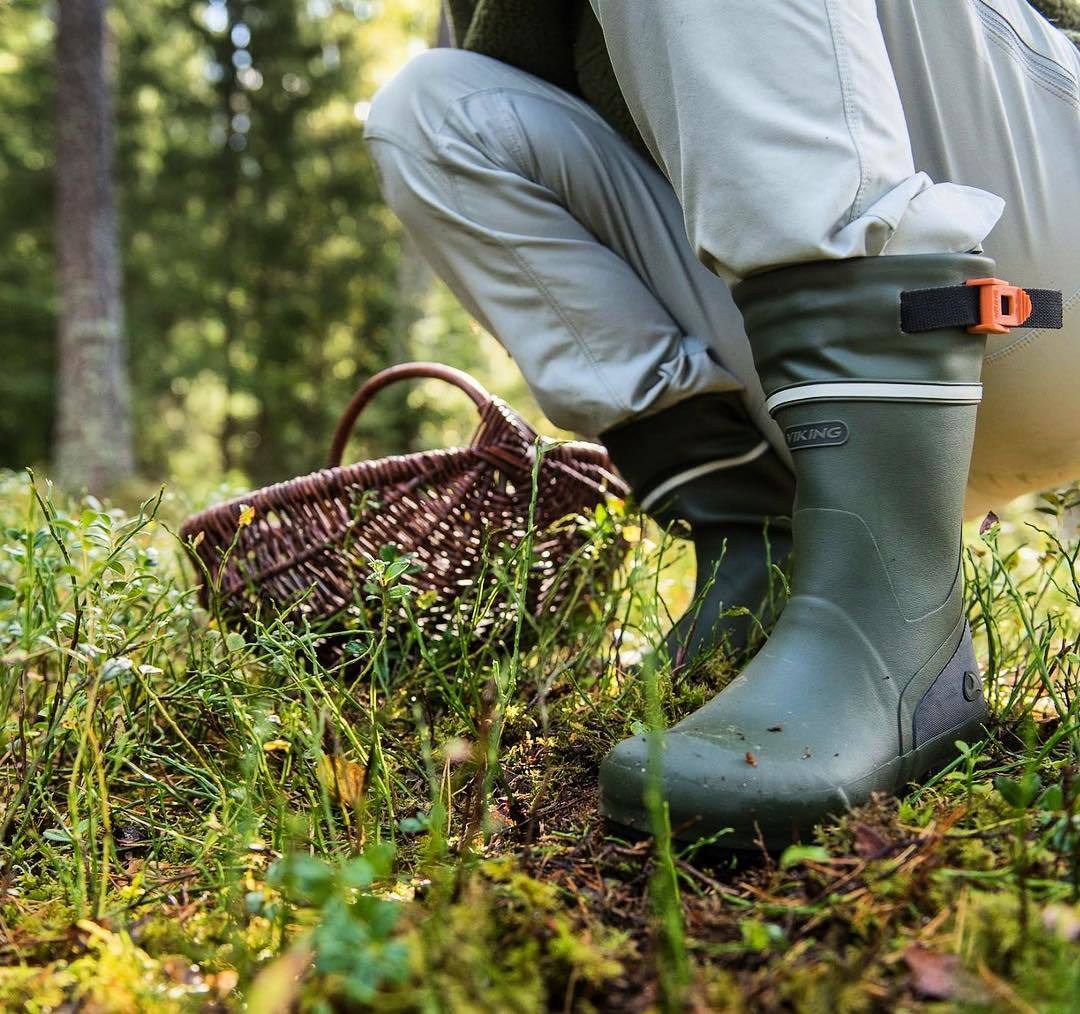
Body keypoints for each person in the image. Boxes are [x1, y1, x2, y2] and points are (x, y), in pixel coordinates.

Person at [363, 1, 1078, 847]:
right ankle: (761, 551)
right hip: (826, 381)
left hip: (1032, 229)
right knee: (433, 109)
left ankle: (894, 635)